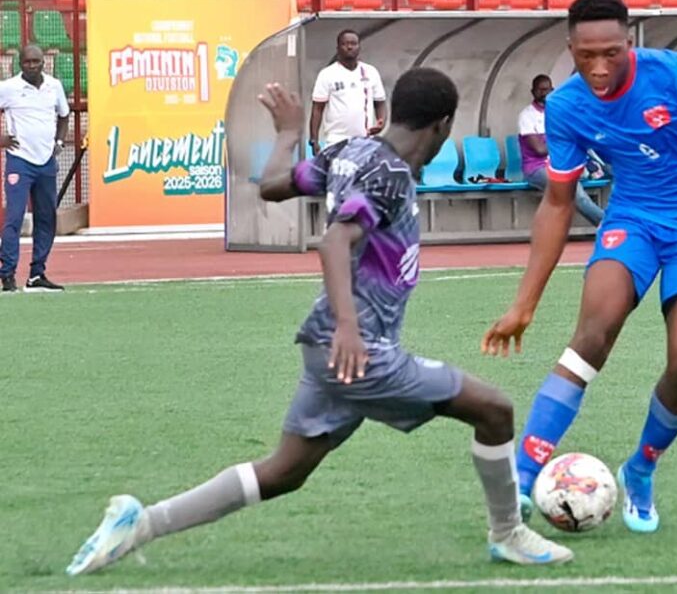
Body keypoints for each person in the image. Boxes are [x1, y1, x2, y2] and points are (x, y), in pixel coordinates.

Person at [65, 69, 573, 577]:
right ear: (443, 125)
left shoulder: (349, 151)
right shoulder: (389, 174)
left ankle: (140, 523)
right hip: (358, 349)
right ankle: (508, 533)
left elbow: (273, 186)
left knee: (285, 471)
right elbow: (335, 241)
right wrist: (350, 329)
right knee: (493, 409)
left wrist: (288, 135)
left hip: (324, 344)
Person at [480, 0, 677, 534]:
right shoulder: (567, 107)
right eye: (585, 55)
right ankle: (521, 481)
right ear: (569, 48)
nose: (598, 67)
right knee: (591, 336)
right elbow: (557, 204)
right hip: (633, 222)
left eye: (611, 53)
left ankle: (641, 467)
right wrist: (524, 304)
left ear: (629, 42)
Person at [0, 45, 70, 294]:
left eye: (36, 61)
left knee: (46, 217)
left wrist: (59, 142)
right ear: (19, 64)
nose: (32, 65)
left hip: (46, 161)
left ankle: (37, 274)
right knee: (15, 217)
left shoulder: (54, 86)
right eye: (27, 62)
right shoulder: (8, 88)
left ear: (44, 62)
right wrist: (2, 139)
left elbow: (64, 115)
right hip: (19, 161)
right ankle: (7, 273)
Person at [519, 74, 604, 226]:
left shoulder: (560, 113)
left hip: (562, 164)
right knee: (576, 194)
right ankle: (610, 226)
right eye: (540, 90)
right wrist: (564, 142)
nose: (544, 93)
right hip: (537, 168)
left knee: (614, 167)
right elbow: (539, 150)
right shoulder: (527, 116)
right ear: (533, 92)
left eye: (548, 89)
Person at [309, 29, 387, 156]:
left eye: (353, 43)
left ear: (359, 47)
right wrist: (314, 140)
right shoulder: (327, 74)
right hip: (336, 141)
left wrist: (381, 122)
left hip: (364, 141)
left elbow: (380, 102)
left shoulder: (371, 72)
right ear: (338, 48)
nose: (349, 47)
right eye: (345, 44)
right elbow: (317, 109)